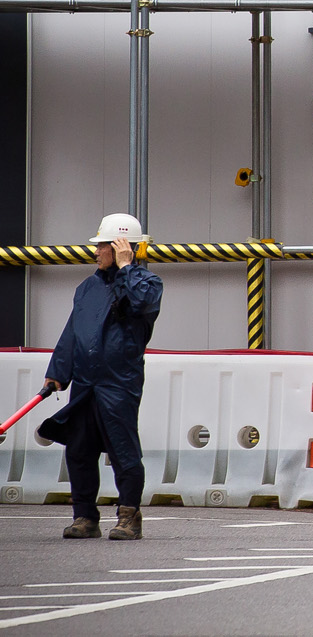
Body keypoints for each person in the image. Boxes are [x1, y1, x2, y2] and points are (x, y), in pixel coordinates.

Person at [41, 213, 163, 541]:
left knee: (123, 450)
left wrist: (126, 267)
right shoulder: (87, 288)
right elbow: (73, 332)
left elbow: (140, 304)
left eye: (103, 245)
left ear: (123, 246)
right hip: (85, 382)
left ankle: (128, 516)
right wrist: (57, 373)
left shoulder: (147, 285)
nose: (96, 251)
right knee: (79, 450)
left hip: (118, 382)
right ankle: (84, 516)